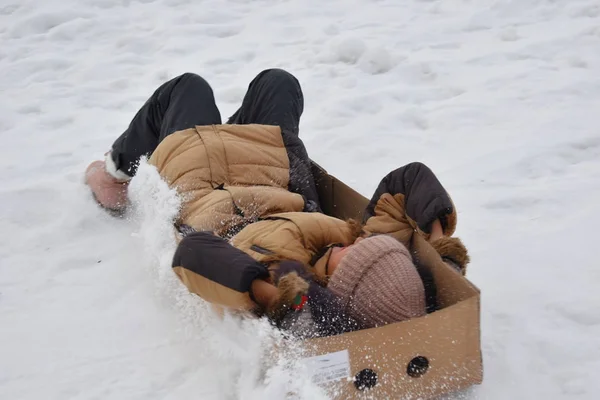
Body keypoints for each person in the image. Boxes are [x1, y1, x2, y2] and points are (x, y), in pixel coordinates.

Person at [85, 69, 470, 337]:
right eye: (368, 243)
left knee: (189, 87)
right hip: (269, 161)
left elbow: (194, 252)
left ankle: (114, 173)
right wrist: (442, 252)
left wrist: (272, 295)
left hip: (196, 173)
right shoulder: (359, 242)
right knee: (279, 82)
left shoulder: (283, 275)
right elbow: (409, 180)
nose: (358, 241)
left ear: (341, 283)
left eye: (355, 254)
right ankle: (226, 131)